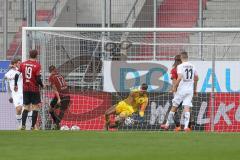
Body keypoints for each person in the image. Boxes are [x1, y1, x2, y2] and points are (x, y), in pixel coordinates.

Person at [161, 51, 198, 132]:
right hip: (190, 90)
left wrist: (174, 87)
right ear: (187, 57)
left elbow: (180, 77)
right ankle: (186, 127)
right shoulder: (193, 66)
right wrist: (195, 89)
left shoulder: (180, 66)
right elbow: (196, 78)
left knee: (174, 107)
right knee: (187, 108)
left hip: (181, 90)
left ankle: (167, 125)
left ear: (181, 58)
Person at [14, 50, 44, 130]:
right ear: (37, 55)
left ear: (29, 55)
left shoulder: (23, 64)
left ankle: (23, 125)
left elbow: (17, 74)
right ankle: (32, 127)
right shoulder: (37, 65)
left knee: (26, 107)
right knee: (35, 108)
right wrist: (42, 85)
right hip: (34, 89)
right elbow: (38, 79)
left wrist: (15, 84)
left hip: (25, 89)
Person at [48, 65, 70, 130]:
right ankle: (56, 124)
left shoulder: (51, 77)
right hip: (67, 95)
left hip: (60, 96)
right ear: (55, 69)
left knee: (53, 110)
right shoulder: (60, 75)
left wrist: (59, 99)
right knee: (56, 110)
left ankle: (56, 125)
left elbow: (55, 89)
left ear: (50, 71)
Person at [4, 59, 23, 129]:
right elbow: (5, 80)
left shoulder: (20, 71)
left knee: (27, 109)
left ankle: (31, 126)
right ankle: (20, 124)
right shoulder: (9, 72)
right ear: (14, 64)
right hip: (15, 94)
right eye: (18, 63)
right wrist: (9, 96)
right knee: (18, 109)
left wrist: (16, 68)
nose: (19, 64)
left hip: (23, 93)